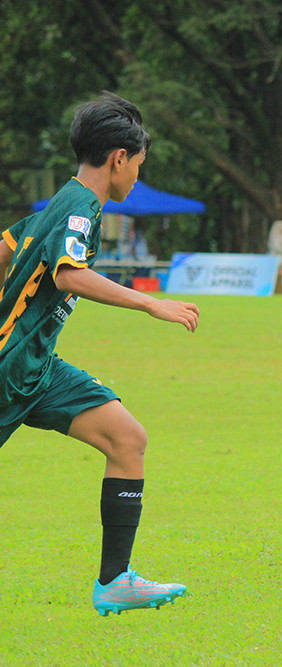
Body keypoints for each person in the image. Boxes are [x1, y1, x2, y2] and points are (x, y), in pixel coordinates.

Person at [0, 92, 200, 615]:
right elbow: (69, 272)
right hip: (9, 369)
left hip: (38, 368)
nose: (136, 174)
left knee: (127, 439)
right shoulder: (82, 208)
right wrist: (149, 303)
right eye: (138, 164)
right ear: (118, 158)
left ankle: (115, 581)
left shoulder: (58, 204)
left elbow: (3, 249)